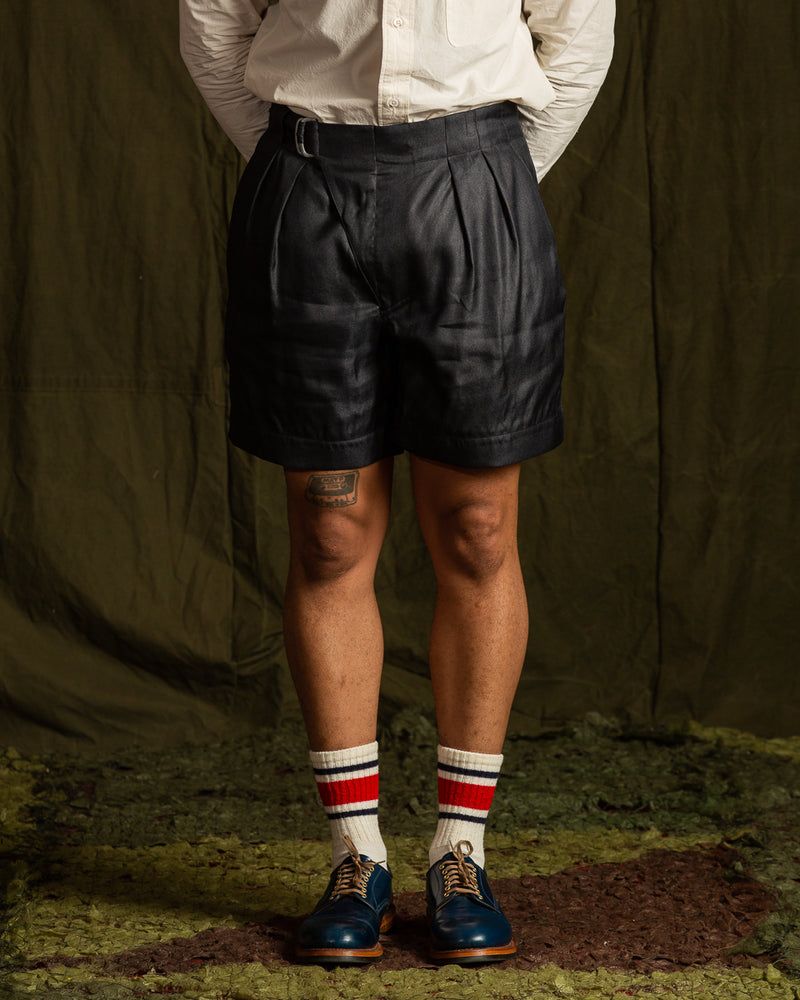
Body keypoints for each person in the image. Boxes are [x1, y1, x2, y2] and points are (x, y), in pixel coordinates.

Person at [180, 0, 614, 967]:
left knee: (478, 529)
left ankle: (461, 854)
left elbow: (579, 38)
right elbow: (213, 27)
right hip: (306, 186)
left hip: (477, 182)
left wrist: (487, 180)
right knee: (329, 533)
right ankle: (355, 858)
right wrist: (302, 162)